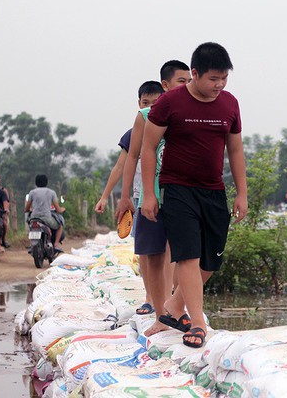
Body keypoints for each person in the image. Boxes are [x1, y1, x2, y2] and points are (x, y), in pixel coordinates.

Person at [141, 43, 247, 348]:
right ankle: (197, 322)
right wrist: (150, 193)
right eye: (213, 79)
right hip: (177, 188)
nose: (219, 85)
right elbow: (148, 148)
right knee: (187, 253)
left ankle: (172, 310)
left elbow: (236, 149)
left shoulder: (229, 104)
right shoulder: (170, 102)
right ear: (195, 74)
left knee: (211, 261)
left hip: (213, 191)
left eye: (224, 78)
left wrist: (242, 193)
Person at [115, 61, 192, 323]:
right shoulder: (146, 117)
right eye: (183, 81)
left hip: (182, 196)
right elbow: (133, 156)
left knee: (187, 256)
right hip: (152, 197)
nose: (189, 85)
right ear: (166, 85)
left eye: (190, 80)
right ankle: (160, 313)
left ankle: (175, 305)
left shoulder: (189, 114)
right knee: (154, 255)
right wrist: (125, 197)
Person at [95, 80, 164, 314]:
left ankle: (165, 297)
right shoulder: (133, 133)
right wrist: (106, 196)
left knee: (167, 251)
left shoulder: (172, 127)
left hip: (168, 195)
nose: (151, 108)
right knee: (145, 251)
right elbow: (120, 166)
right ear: (139, 104)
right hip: (141, 196)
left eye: (156, 103)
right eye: (146, 103)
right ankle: (149, 297)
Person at [25, 174, 66, 250]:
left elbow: (26, 209)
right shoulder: (51, 192)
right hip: (46, 218)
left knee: (32, 228)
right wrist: (62, 209)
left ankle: (32, 245)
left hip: (34, 218)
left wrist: (31, 210)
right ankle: (56, 244)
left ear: (36, 182)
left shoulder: (32, 192)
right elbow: (58, 209)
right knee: (60, 226)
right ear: (46, 182)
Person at [0, 174, 11, 248]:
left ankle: (3, 239)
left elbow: (7, 202)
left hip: (1, 212)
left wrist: (6, 212)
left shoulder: (3, 190)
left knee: (4, 224)